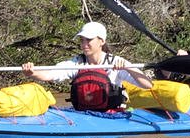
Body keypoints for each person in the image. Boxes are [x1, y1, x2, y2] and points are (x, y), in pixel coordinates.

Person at [22, 21, 153, 108]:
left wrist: (128, 68)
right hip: (84, 113)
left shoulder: (116, 62)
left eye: (89, 40)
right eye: (82, 40)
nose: (84, 44)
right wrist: (32, 73)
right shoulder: (77, 63)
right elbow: (49, 75)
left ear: (101, 41)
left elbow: (147, 86)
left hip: (112, 115)